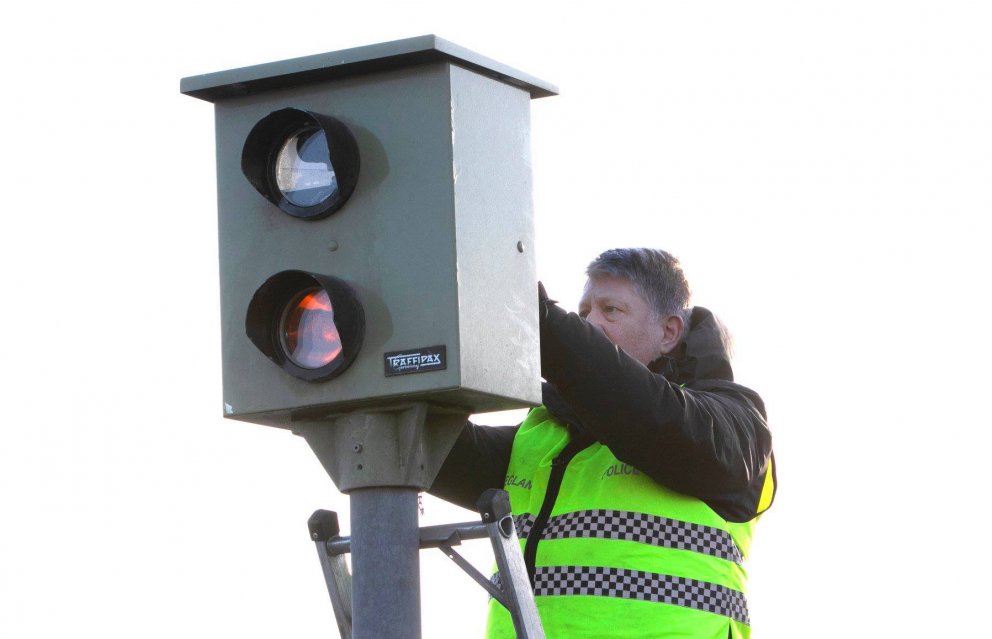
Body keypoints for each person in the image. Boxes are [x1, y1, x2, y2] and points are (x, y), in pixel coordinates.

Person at [430, 248, 775, 639]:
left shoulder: (733, 426)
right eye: (582, 314)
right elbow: (419, 447)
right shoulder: (543, 432)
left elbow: (647, 415)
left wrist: (541, 321)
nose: (591, 323)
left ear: (668, 332)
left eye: (611, 310)